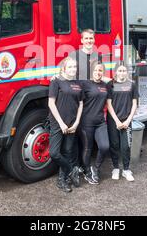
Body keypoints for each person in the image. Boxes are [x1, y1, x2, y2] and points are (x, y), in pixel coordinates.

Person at [48, 57, 83, 193]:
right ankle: (71, 169)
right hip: (58, 123)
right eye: (70, 67)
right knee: (54, 153)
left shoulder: (78, 84)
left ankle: (62, 180)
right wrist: (61, 123)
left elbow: (80, 104)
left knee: (68, 151)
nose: (73, 69)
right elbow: (51, 103)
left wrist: (77, 122)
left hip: (72, 123)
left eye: (75, 67)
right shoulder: (56, 81)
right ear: (64, 68)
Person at [107, 62, 139, 182]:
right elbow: (109, 104)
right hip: (113, 120)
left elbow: (134, 104)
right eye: (119, 71)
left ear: (127, 72)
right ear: (115, 72)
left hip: (127, 121)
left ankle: (126, 170)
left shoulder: (132, 85)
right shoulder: (111, 84)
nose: (122, 73)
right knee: (114, 145)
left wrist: (128, 121)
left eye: (124, 71)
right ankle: (116, 168)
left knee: (126, 146)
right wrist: (116, 121)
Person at [79, 61, 110, 184]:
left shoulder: (105, 85)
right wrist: (56, 77)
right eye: (96, 70)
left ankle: (95, 168)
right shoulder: (85, 84)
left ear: (103, 72)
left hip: (100, 121)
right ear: (92, 71)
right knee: (88, 148)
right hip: (86, 122)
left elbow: (119, 81)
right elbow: (69, 84)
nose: (98, 73)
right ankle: (87, 172)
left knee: (104, 146)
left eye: (100, 70)